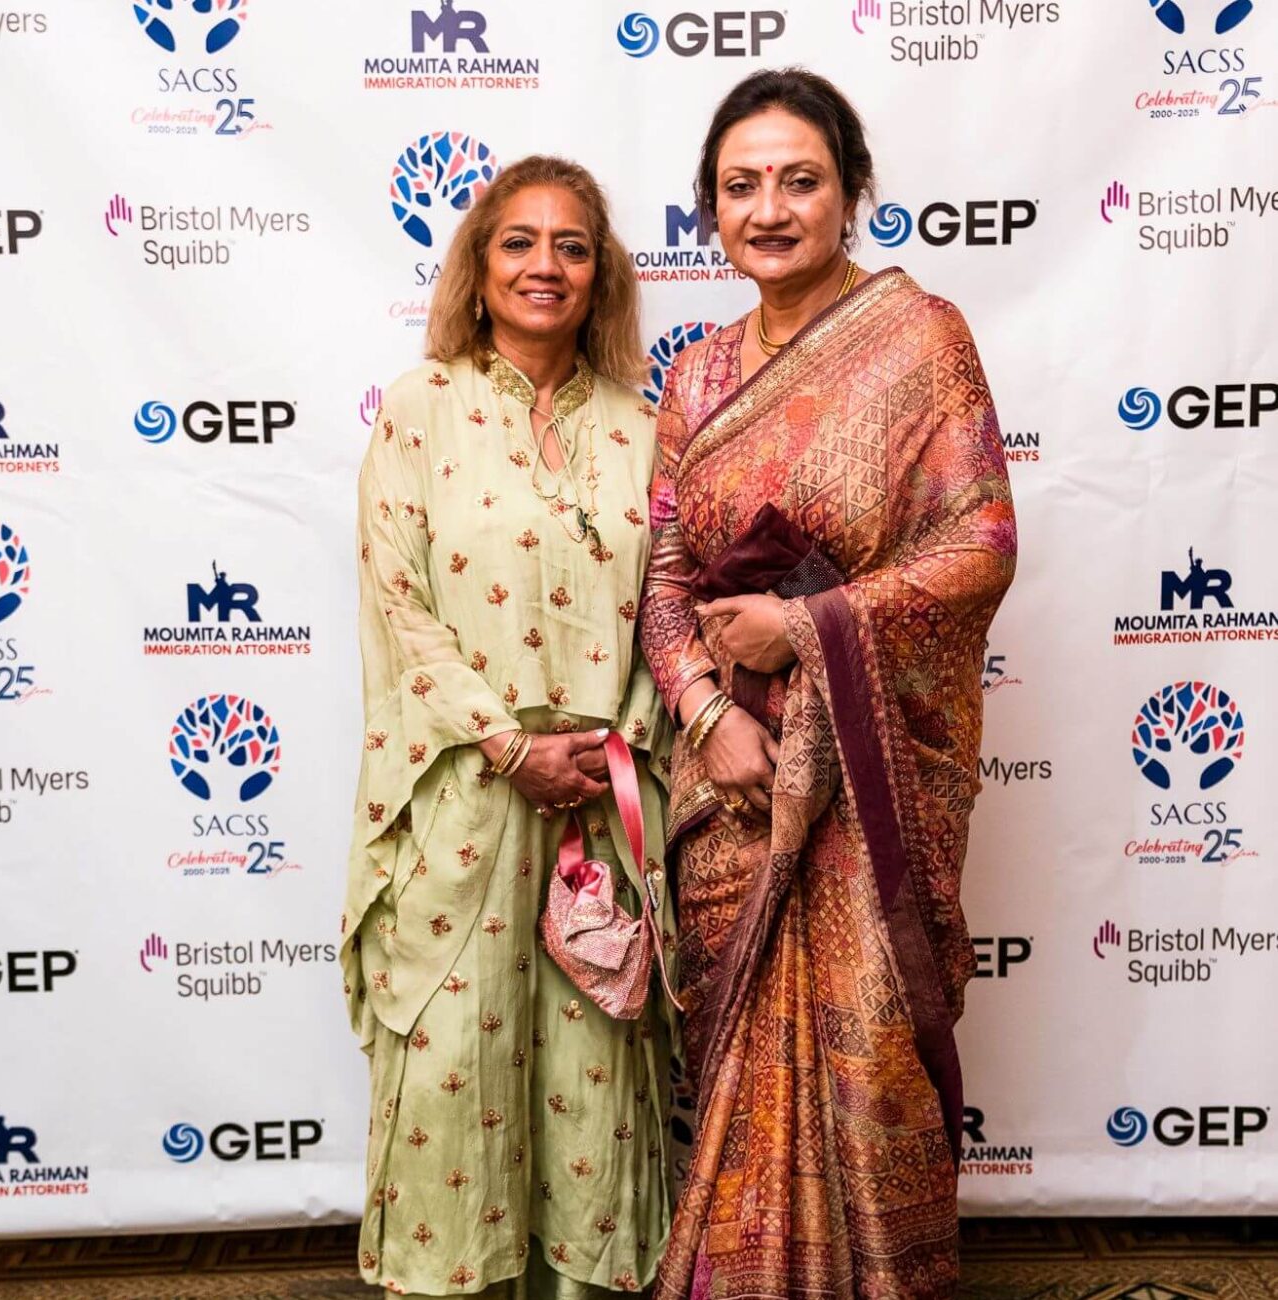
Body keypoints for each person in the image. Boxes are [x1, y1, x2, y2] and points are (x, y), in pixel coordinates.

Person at [639, 69, 1017, 1299]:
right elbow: (662, 579)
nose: (769, 208)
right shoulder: (696, 378)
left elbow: (980, 543)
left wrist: (807, 625)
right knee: (732, 1067)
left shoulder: (920, 338)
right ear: (710, 206)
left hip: (868, 776)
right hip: (732, 786)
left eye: (798, 180)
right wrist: (705, 713)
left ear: (850, 192)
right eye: (740, 185)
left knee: (869, 1056)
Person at [341, 155, 677, 1297]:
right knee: (455, 1069)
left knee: (594, 1078)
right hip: (464, 794)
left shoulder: (644, 427)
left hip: (605, 799)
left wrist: (611, 747)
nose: (546, 266)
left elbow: (669, 604)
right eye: (519, 242)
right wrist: (508, 744)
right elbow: (399, 601)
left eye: (572, 246)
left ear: (602, 275)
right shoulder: (420, 408)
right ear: (478, 269)